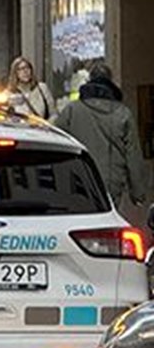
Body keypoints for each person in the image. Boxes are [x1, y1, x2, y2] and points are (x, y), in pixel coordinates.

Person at [53, 64, 148, 226]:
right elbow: (133, 154)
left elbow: (56, 139)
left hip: (78, 177)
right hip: (111, 180)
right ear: (111, 82)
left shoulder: (72, 110)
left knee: (79, 224)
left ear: (89, 81)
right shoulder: (123, 113)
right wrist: (138, 193)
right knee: (106, 225)